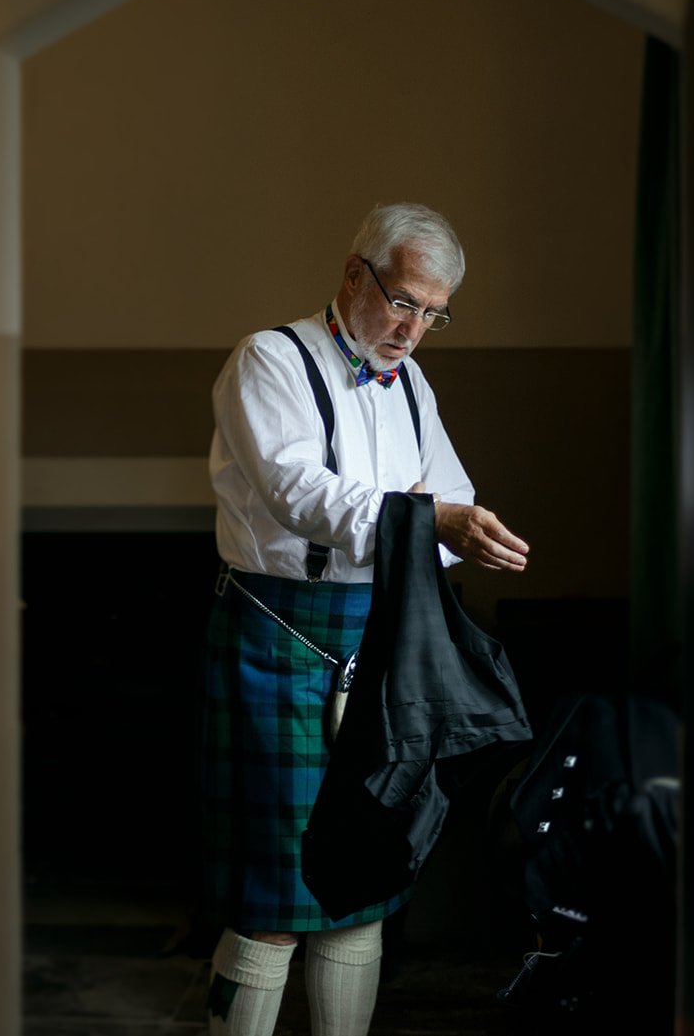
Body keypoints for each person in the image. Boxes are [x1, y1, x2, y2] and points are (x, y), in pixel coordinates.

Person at [201, 202, 530, 1036]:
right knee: (273, 897)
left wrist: (463, 529)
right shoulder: (268, 361)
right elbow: (301, 494)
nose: (415, 328)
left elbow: (449, 495)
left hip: (379, 643)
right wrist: (433, 521)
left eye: (433, 313)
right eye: (404, 301)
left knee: (363, 887)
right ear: (357, 274)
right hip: (276, 639)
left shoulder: (411, 381)